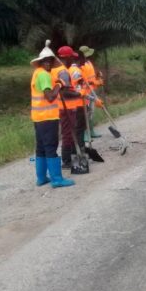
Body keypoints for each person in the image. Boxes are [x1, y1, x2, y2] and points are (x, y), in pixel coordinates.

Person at [30, 46, 75, 188]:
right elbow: (50, 97)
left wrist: (55, 82)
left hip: (38, 117)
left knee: (41, 148)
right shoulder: (43, 75)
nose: (48, 63)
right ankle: (57, 179)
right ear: (41, 62)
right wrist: (59, 84)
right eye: (45, 61)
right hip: (47, 118)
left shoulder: (38, 72)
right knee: (50, 146)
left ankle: (42, 177)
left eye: (50, 61)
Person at [57, 46, 86, 169]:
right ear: (66, 57)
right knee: (68, 134)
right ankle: (66, 161)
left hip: (69, 107)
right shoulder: (63, 71)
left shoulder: (63, 69)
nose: (72, 60)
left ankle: (72, 155)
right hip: (65, 107)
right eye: (71, 57)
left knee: (70, 133)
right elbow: (65, 92)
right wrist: (79, 93)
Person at [79, 45, 103, 138]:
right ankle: (86, 132)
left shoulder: (88, 62)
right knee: (87, 112)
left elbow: (91, 75)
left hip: (92, 90)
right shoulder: (81, 66)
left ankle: (91, 131)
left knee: (92, 112)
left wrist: (97, 76)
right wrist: (95, 82)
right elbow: (84, 80)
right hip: (86, 92)